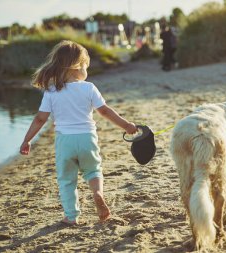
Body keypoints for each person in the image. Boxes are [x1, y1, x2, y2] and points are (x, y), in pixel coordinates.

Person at [19, 40, 137, 224]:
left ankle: (71, 217)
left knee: (66, 179)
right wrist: (127, 125)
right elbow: (105, 111)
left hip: (65, 141)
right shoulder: (89, 87)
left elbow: (40, 119)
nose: (86, 71)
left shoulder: (51, 91)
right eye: (85, 66)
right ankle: (97, 193)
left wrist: (27, 140)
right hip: (87, 138)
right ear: (77, 66)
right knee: (93, 170)